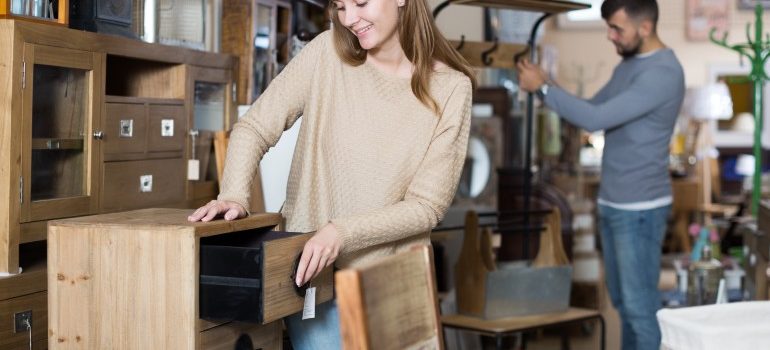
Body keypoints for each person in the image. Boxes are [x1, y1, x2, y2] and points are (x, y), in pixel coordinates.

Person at [188, 0, 475, 348]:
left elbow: (426, 207)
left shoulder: (451, 88)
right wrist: (234, 193)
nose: (350, 18)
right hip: (319, 285)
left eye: (360, 3)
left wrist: (340, 234)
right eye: (340, 6)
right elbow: (253, 128)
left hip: (393, 288)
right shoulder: (326, 54)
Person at [517, 1, 683, 349]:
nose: (610, 36)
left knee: (640, 310)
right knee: (623, 305)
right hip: (614, 202)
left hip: (640, 209)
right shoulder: (630, 66)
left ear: (645, 28)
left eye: (617, 29)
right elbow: (592, 107)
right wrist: (547, 82)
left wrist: (543, 90)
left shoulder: (663, 73)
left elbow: (595, 120)